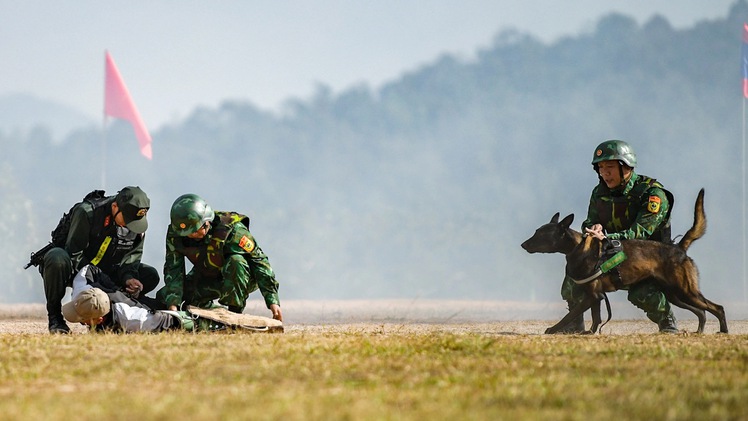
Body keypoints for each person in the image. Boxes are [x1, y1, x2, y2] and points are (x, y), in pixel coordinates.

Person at [560, 140, 679, 334]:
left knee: (641, 293)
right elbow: (589, 222)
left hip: (650, 261)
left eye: (609, 167)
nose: (604, 173)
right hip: (612, 255)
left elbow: (640, 233)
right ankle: (574, 323)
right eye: (600, 167)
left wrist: (605, 236)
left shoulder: (652, 194)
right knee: (574, 277)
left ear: (625, 167)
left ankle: (667, 322)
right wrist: (593, 229)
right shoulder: (599, 192)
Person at [42, 186, 160, 334]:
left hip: (107, 270)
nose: (129, 226)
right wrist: (101, 282)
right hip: (76, 268)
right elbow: (74, 254)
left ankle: (109, 318)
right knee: (56, 258)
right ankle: (55, 319)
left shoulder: (136, 223)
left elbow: (132, 259)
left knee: (150, 275)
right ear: (115, 207)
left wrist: (128, 278)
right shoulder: (87, 213)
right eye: (127, 220)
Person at [156, 194, 283, 322]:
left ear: (206, 222)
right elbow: (174, 269)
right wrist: (173, 305)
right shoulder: (177, 233)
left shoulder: (232, 230)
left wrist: (272, 300)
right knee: (163, 297)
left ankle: (235, 315)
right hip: (208, 274)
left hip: (241, 276)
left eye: (194, 231)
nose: (190, 235)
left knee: (235, 262)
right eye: (186, 232)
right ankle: (213, 314)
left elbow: (259, 262)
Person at [62, 264, 223, 333]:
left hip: (148, 309)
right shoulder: (82, 293)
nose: (80, 321)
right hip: (122, 296)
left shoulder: (129, 318)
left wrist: (201, 322)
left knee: (174, 307)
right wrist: (115, 287)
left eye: (82, 319)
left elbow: (167, 320)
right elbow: (88, 269)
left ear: (99, 319)